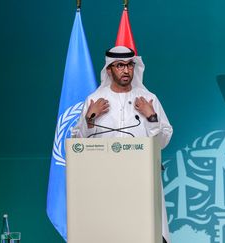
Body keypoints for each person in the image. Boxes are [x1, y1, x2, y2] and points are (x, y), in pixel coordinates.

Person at [74, 46, 173, 243]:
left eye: (129, 65)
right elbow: (78, 144)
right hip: (104, 184)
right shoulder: (94, 100)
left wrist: (151, 116)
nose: (126, 70)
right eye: (120, 66)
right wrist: (90, 117)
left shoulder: (149, 99)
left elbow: (162, 142)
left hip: (141, 184)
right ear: (109, 70)